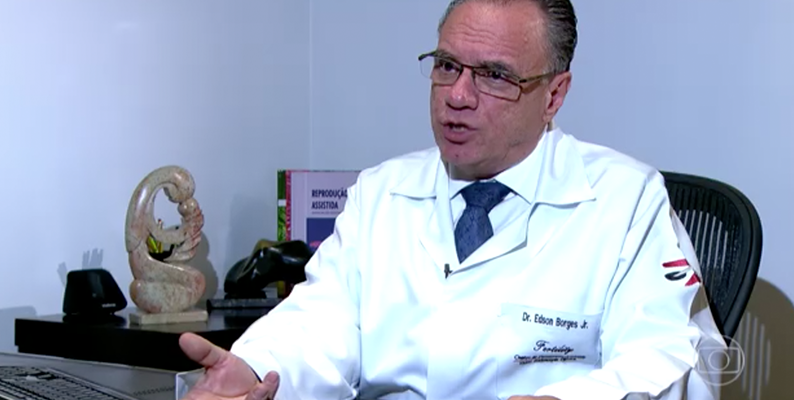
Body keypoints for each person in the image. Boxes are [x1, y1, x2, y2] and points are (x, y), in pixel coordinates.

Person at [178, 0, 727, 399]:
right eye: (447, 66)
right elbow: (320, 323)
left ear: (554, 95)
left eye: (494, 76)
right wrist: (255, 367)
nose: (458, 96)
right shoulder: (382, 193)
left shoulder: (625, 202)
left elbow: (676, 358)